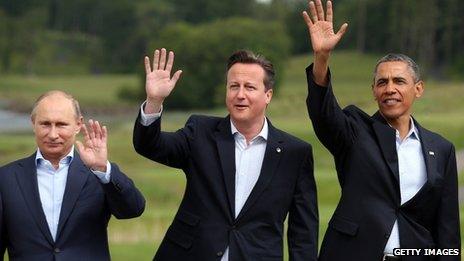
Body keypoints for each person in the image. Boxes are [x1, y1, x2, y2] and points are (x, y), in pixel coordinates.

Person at [302, 1, 460, 260]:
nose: (390, 89)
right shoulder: (355, 130)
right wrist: (322, 58)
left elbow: (447, 228)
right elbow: (323, 114)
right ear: (374, 90)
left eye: (399, 81)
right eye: (382, 82)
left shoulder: (441, 149)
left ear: (418, 89)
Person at [133, 48, 318, 260]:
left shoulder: (294, 153)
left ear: (268, 95)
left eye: (249, 87)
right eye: (233, 86)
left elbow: (303, 232)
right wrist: (154, 101)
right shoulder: (200, 132)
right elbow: (150, 145)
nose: (240, 95)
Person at [0, 90, 145, 261]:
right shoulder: (6, 178)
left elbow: (133, 209)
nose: (53, 134)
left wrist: (101, 168)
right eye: (45, 124)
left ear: (78, 124)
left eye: (61, 124)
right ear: (33, 123)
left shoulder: (98, 174)